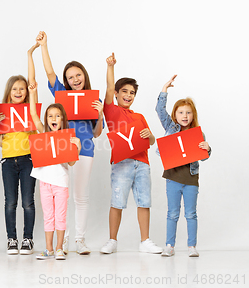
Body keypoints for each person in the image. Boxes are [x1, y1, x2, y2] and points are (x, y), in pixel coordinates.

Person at [36, 31, 104, 254]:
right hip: (61, 149)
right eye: (70, 77)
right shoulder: (62, 93)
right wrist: (45, 46)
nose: (75, 80)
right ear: (66, 80)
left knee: (80, 196)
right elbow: (49, 72)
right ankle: (60, 242)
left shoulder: (94, 99)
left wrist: (100, 114)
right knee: (60, 197)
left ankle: (80, 240)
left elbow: (96, 133)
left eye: (78, 75)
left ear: (84, 76)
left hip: (84, 149)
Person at [100, 53, 162, 254]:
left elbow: (150, 141)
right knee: (117, 202)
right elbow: (109, 88)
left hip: (142, 163)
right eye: (124, 91)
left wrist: (150, 135)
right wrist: (110, 67)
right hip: (122, 163)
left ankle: (145, 240)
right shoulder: (112, 111)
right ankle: (112, 240)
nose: (128, 95)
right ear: (117, 94)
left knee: (144, 202)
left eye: (132, 92)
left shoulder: (140, 116)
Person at [156, 75, 211, 257]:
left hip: (191, 179)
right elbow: (159, 110)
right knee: (172, 213)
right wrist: (164, 90)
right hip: (173, 178)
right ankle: (169, 245)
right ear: (175, 115)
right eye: (181, 112)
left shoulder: (198, 133)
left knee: (190, 214)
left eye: (188, 113)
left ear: (193, 115)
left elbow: (204, 156)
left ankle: (191, 246)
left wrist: (208, 148)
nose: (184, 116)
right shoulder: (171, 127)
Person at [0, 43, 39, 255]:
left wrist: (30, 54)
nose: (19, 91)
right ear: (9, 93)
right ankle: (11, 239)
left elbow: (33, 85)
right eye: (15, 89)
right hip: (8, 161)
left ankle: (27, 239)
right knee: (10, 201)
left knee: (28, 201)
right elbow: (1, 142)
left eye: (22, 88)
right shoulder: (3, 113)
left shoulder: (30, 110)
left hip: (28, 159)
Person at [28, 82, 81, 260]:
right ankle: (49, 248)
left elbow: (72, 163)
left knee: (60, 216)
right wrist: (33, 93)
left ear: (62, 119)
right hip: (45, 183)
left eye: (57, 116)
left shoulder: (68, 137)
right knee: (48, 216)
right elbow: (34, 114)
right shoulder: (43, 132)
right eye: (50, 116)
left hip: (61, 183)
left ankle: (59, 248)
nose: (54, 118)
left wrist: (77, 148)